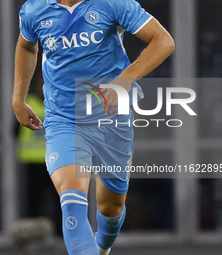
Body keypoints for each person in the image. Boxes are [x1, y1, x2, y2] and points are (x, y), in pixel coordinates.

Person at [12, 0, 175, 254]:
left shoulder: (112, 3)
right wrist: (18, 98)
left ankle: (102, 246)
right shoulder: (35, 9)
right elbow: (26, 46)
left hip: (111, 118)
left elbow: (163, 41)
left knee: (111, 208)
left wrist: (125, 79)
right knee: (72, 198)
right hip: (63, 119)